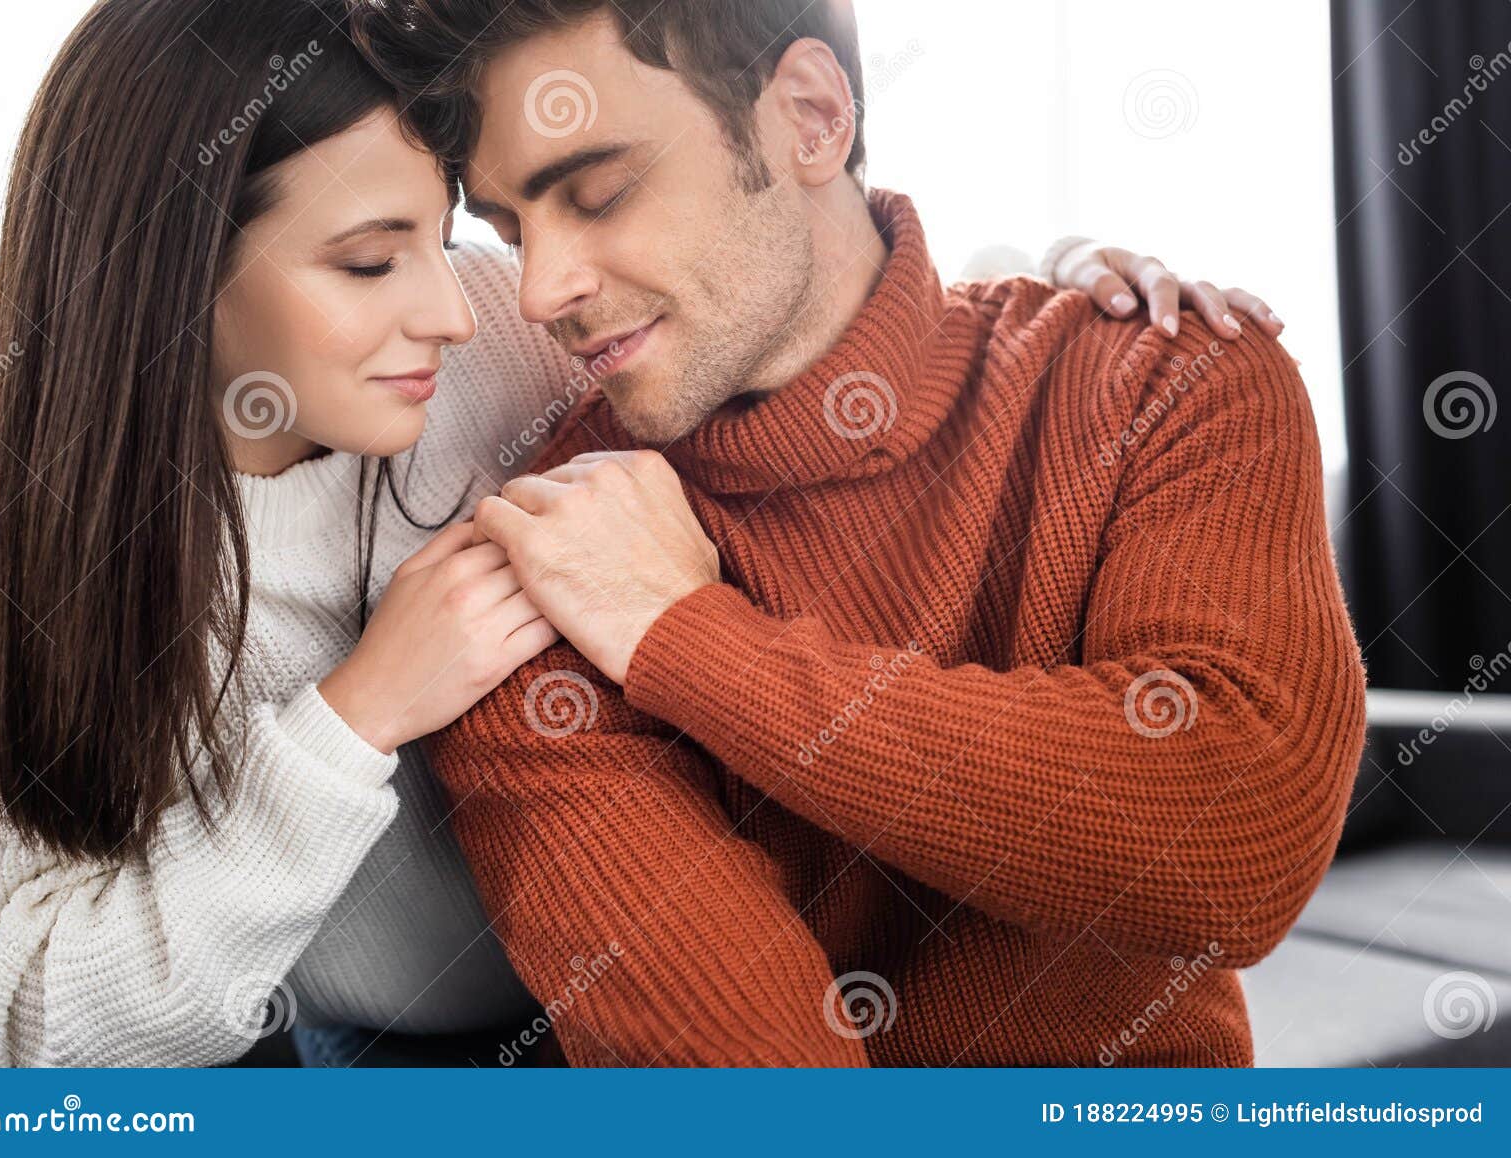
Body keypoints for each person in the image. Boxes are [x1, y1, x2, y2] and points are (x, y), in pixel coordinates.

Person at [0, 0, 1250, 1068]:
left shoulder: (492, 335)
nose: (458, 303)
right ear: (164, 270)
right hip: (401, 1042)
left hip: (650, 986)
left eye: (453, 238)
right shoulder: (32, 557)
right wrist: (356, 712)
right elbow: (38, 1030)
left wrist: (1059, 298)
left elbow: (774, 314)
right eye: (373, 262)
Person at [353, 0, 1368, 1067]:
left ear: (809, 115)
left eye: (598, 193)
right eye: (509, 230)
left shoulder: (1166, 375)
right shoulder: (542, 561)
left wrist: (683, 638)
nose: (539, 289)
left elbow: (1234, 846)